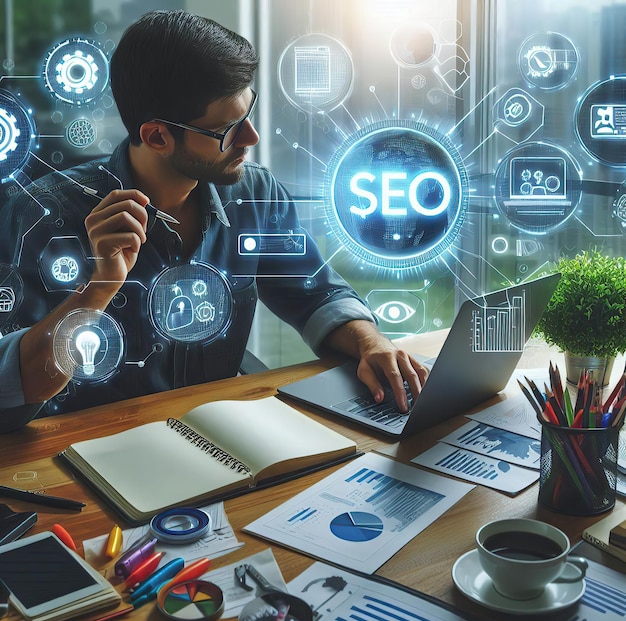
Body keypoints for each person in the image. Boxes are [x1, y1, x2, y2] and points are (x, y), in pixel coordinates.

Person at [0, 9, 427, 432]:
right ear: (157, 136)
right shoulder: (45, 215)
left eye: (248, 112)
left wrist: (370, 341)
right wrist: (100, 289)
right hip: (85, 456)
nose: (251, 138)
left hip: (220, 441)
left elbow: (315, 294)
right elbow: (15, 389)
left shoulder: (254, 196)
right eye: (228, 129)